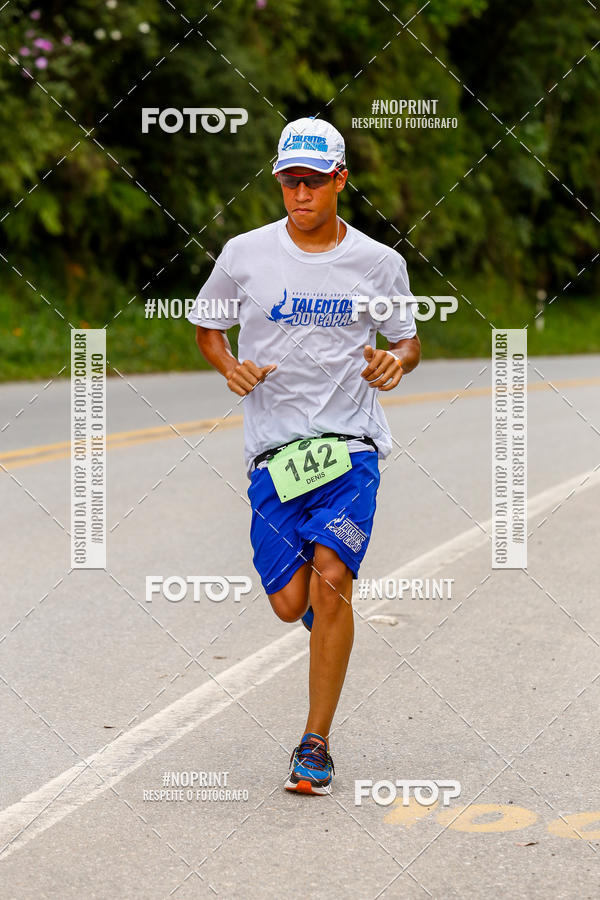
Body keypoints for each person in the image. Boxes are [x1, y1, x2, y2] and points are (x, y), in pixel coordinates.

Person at [187, 117, 421, 795]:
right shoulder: (244, 253)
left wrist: (394, 361)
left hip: (351, 450)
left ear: (340, 180)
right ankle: (331, 623)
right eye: (290, 180)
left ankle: (314, 743)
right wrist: (228, 365)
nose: (300, 193)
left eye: (314, 181)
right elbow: (208, 327)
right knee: (293, 603)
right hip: (275, 453)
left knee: (329, 577)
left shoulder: (379, 263)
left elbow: (407, 340)